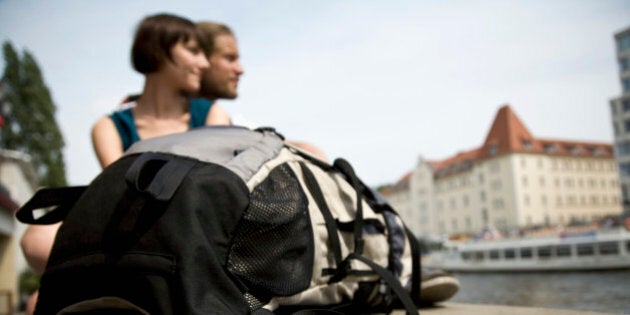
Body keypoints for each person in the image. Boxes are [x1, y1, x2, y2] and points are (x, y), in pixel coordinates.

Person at [20, 13, 215, 314]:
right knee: (37, 238)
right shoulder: (109, 127)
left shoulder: (212, 116)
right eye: (193, 51)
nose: (204, 63)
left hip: (195, 225)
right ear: (159, 50)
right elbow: (124, 192)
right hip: (136, 226)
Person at [195, 21, 328, 161]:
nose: (240, 70)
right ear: (200, 58)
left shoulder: (218, 116)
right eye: (229, 58)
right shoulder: (199, 112)